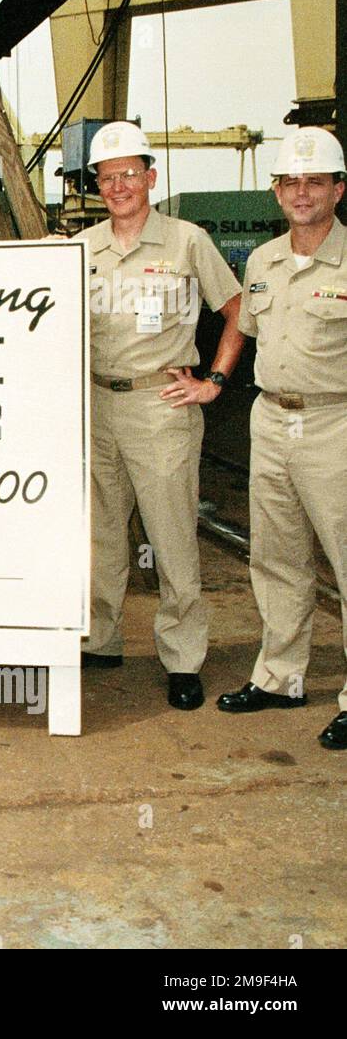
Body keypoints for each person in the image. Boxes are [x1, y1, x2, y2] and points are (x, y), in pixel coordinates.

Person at [79, 121, 244, 710]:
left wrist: (215, 381)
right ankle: (101, 638)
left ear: (151, 177)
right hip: (96, 403)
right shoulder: (83, 249)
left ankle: (182, 658)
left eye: (129, 174)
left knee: (170, 534)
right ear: (96, 185)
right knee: (100, 534)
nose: (119, 185)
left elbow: (237, 308)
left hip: (162, 406)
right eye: (107, 177)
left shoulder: (187, 241)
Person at [217, 126, 347, 749]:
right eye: (290, 182)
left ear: (338, 189)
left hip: (336, 423)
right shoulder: (264, 260)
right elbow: (246, 330)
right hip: (270, 420)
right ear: (276, 191)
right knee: (276, 556)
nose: (301, 193)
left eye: (314, 181)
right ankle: (278, 676)